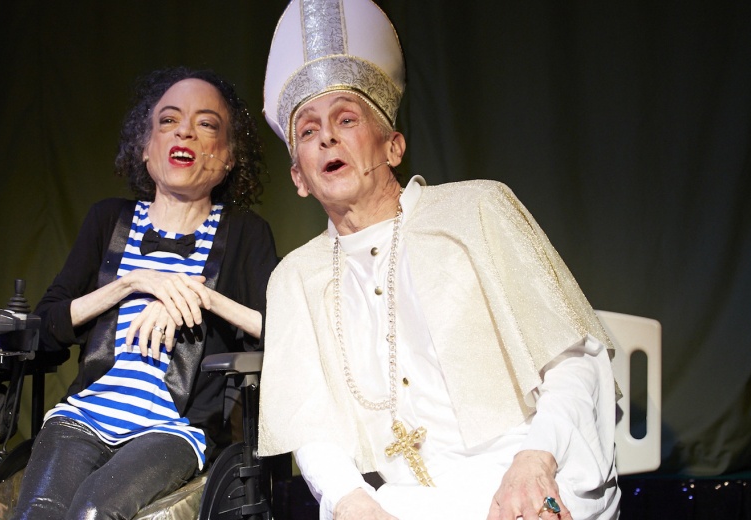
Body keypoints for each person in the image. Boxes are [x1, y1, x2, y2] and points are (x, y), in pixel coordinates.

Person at [256, 1, 620, 519]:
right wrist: (349, 501)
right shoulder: (295, 278)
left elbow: (573, 361)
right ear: (298, 176)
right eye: (308, 131)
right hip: (409, 501)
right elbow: (311, 429)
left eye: (346, 119)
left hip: (531, 471)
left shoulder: (477, 208)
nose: (327, 138)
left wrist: (535, 460)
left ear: (393, 145)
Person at [11, 66, 278, 519]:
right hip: (84, 416)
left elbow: (281, 334)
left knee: (96, 511)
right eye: (168, 121)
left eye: (206, 124)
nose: (186, 133)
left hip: (173, 430)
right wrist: (132, 282)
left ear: (229, 156)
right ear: (146, 147)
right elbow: (49, 323)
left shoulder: (245, 233)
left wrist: (202, 296)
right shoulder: (106, 220)